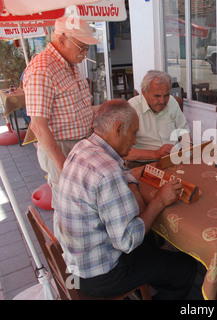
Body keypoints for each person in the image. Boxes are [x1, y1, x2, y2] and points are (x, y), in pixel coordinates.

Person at [54, 99, 197, 299]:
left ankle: (148, 280)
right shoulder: (107, 171)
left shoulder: (83, 147)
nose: (134, 140)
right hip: (101, 274)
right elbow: (127, 241)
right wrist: (159, 201)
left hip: (78, 261)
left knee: (150, 240)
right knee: (186, 267)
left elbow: (121, 167)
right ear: (118, 129)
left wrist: (131, 184)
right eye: (134, 133)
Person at [23, 16, 99, 206]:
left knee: (85, 203)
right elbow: (38, 126)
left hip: (80, 144)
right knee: (68, 207)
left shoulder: (69, 63)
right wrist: (62, 165)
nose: (85, 52)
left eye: (87, 48)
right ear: (63, 39)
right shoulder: (42, 69)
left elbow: (75, 109)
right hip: (62, 148)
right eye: (81, 47)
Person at [124, 70, 191, 168]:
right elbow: (125, 152)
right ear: (144, 92)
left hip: (173, 159)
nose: (162, 101)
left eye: (166, 95)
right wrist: (155, 153)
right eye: (157, 96)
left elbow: (184, 131)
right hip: (143, 163)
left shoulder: (172, 101)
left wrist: (186, 147)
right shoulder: (131, 108)